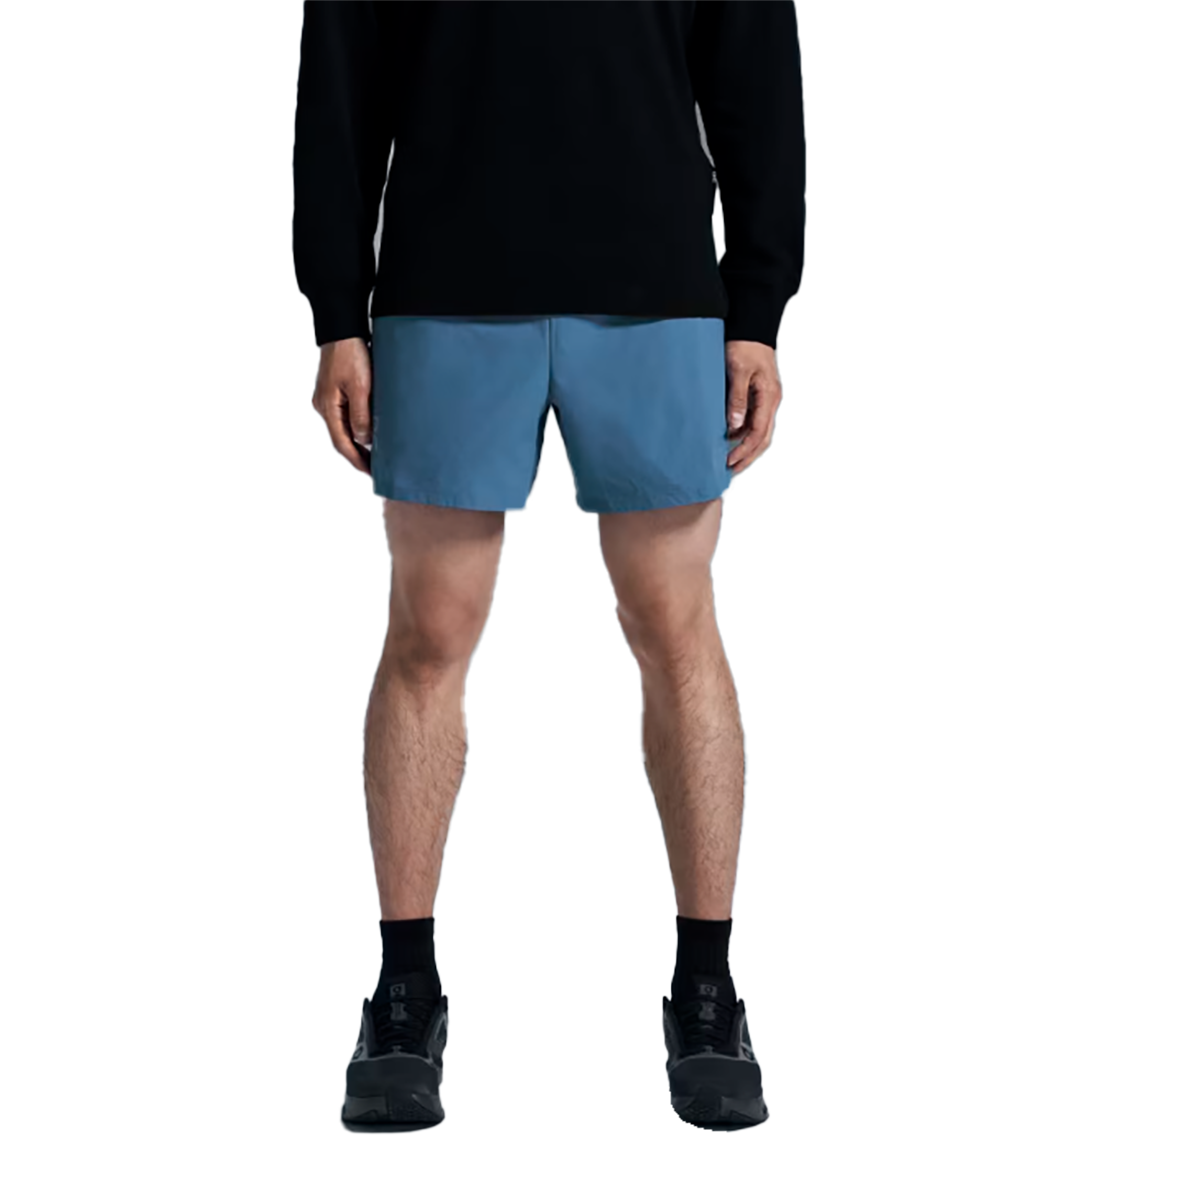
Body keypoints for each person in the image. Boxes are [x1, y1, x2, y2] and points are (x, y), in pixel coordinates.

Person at [292, 0, 805, 1129]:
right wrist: (336, 310)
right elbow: (341, 83)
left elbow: (756, 74)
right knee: (430, 629)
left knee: (673, 623)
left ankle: (708, 996)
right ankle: (404, 992)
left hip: (656, 286)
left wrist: (759, 307)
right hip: (446, 283)